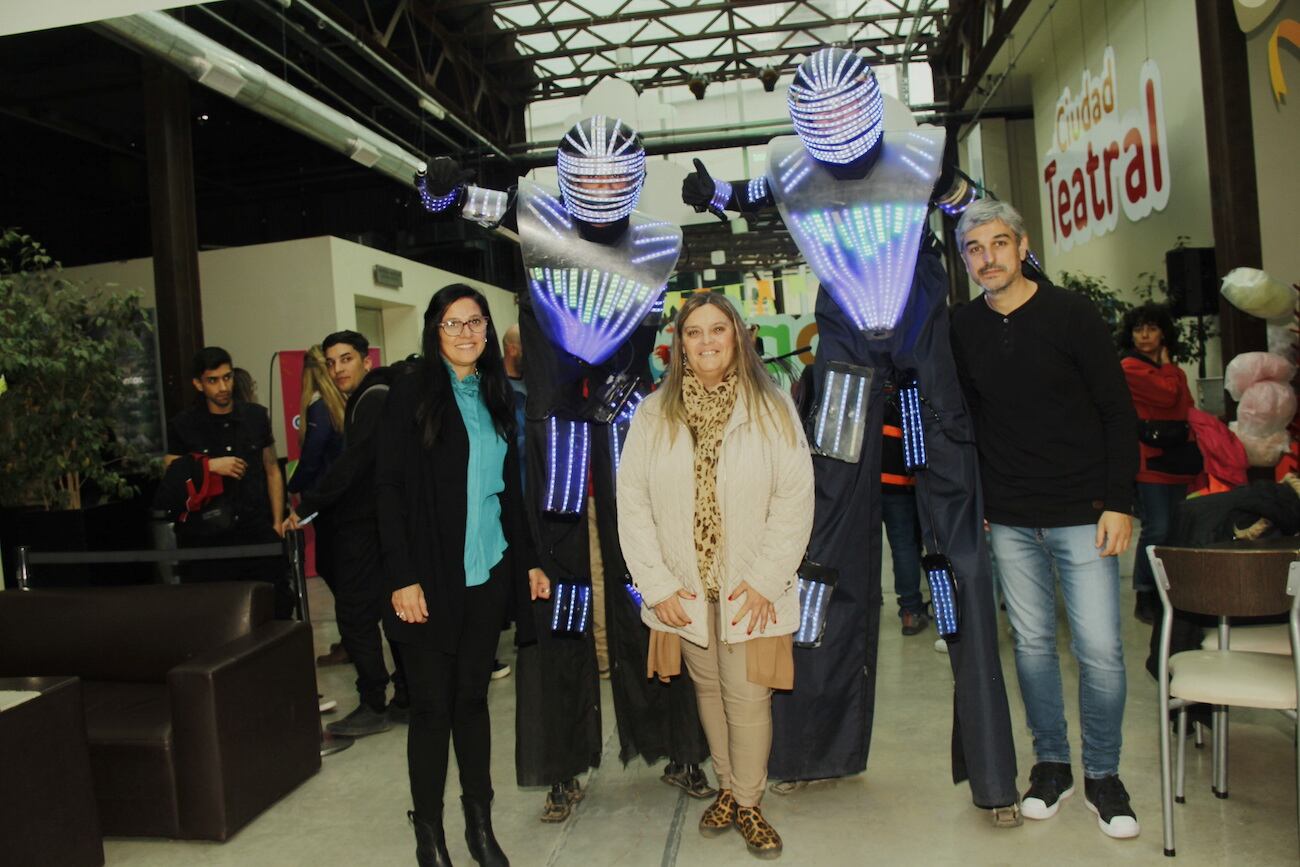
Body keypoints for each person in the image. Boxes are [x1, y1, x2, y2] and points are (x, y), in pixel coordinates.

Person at [681, 46, 1019, 821]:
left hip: (923, 377)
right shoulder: (796, 174)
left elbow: (983, 210)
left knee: (954, 560)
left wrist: (965, 202)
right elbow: (759, 192)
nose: (834, 127)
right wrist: (716, 192)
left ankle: (994, 775)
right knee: (826, 558)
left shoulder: (920, 158)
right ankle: (810, 748)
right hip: (843, 378)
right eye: (819, 115)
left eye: (845, 110)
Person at [415, 119, 711, 823]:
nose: (605, 188)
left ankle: (678, 744)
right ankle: (562, 764)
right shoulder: (533, 217)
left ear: (634, 177)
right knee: (559, 603)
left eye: (617, 175)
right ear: (570, 175)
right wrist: (440, 185)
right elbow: (446, 205)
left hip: (627, 439)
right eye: (593, 174)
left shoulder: (658, 243)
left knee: (649, 586)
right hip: (555, 446)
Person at [949, 199, 1141, 840]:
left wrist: (1120, 501)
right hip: (1007, 518)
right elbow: (968, 425)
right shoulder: (962, 328)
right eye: (974, 249)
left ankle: (1105, 775)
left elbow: (1117, 410)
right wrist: (973, 509)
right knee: (1030, 648)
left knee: (1101, 652)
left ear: (1021, 245)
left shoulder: (1070, 314)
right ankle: (1052, 764)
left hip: (1083, 514)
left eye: (998, 244)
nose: (987, 258)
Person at [618, 292, 814, 859]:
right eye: (693, 332)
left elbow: (795, 498)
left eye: (716, 331)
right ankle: (727, 787)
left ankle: (748, 802)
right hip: (685, 588)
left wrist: (766, 578)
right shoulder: (654, 413)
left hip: (751, 587)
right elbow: (632, 504)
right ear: (679, 345)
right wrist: (656, 585)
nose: (705, 342)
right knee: (708, 690)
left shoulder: (773, 408)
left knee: (748, 697)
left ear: (738, 337)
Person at [375, 285, 550, 867]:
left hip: (488, 571)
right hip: (424, 580)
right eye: (453, 324)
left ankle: (480, 827)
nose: (467, 333)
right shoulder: (412, 392)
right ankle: (430, 836)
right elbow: (388, 488)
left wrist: (526, 560)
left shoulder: (498, 394)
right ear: (434, 331)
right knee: (430, 709)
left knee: (472, 704)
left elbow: (508, 491)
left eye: (476, 322)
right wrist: (401, 576)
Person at [284, 331, 410, 738]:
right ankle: (405, 696)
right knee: (392, 613)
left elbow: (354, 464)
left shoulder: (372, 399)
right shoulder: (374, 396)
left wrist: (306, 505)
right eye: (332, 362)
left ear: (365, 361)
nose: (338, 369)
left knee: (355, 615)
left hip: (365, 525)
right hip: (383, 523)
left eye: (347, 359)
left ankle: (375, 701)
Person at [164, 346, 291, 616]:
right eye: (213, 380)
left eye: (227, 377)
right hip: (207, 537)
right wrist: (210, 466)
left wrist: (277, 521)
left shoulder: (255, 416)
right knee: (219, 613)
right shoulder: (184, 424)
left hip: (256, 529)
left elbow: (271, 468)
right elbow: (171, 473)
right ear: (198, 384)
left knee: (275, 606)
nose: (223, 386)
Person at [1119, 304, 1198, 625]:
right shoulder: (1129, 366)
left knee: (1174, 529)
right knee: (1157, 528)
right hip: (1149, 461)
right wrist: (1169, 371)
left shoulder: (1171, 369)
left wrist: (1169, 371)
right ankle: (1145, 592)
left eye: (1151, 328)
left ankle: (1169, 592)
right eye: (1138, 329)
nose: (1145, 335)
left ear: (1163, 331)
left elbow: (1186, 405)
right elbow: (1168, 397)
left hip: (1177, 458)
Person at [288, 345, 348, 666]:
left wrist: (293, 489)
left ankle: (351, 639)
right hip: (342, 501)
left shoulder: (318, 407)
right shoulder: (341, 403)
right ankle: (352, 637)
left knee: (332, 569)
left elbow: (312, 458)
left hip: (328, 503)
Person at [880, 386, 929, 635]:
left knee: (864, 547)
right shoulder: (907, 388)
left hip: (866, 486)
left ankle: (865, 605)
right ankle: (910, 612)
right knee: (903, 547)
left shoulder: (865, 382)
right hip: (900, 483)